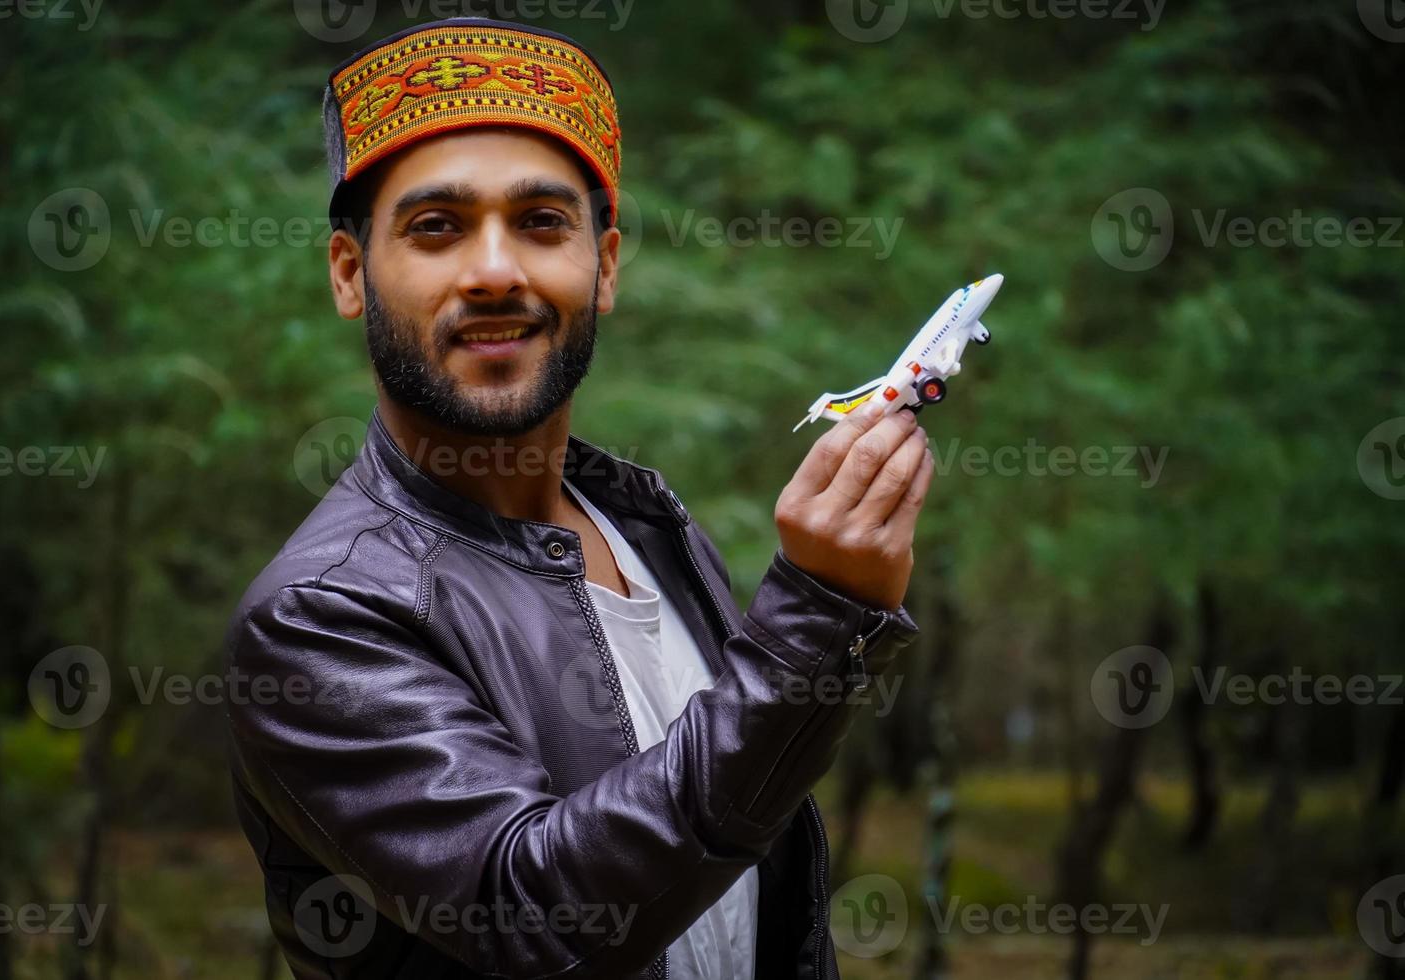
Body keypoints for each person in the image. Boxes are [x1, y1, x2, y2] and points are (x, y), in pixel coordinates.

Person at [224, 16, 932, 979]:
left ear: (602, 268)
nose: (494, 271)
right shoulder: (320, 615)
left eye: (542, 222)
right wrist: (817, 622)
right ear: (351, 275)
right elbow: (536, 915)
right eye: (436, 228)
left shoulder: (643, 525)